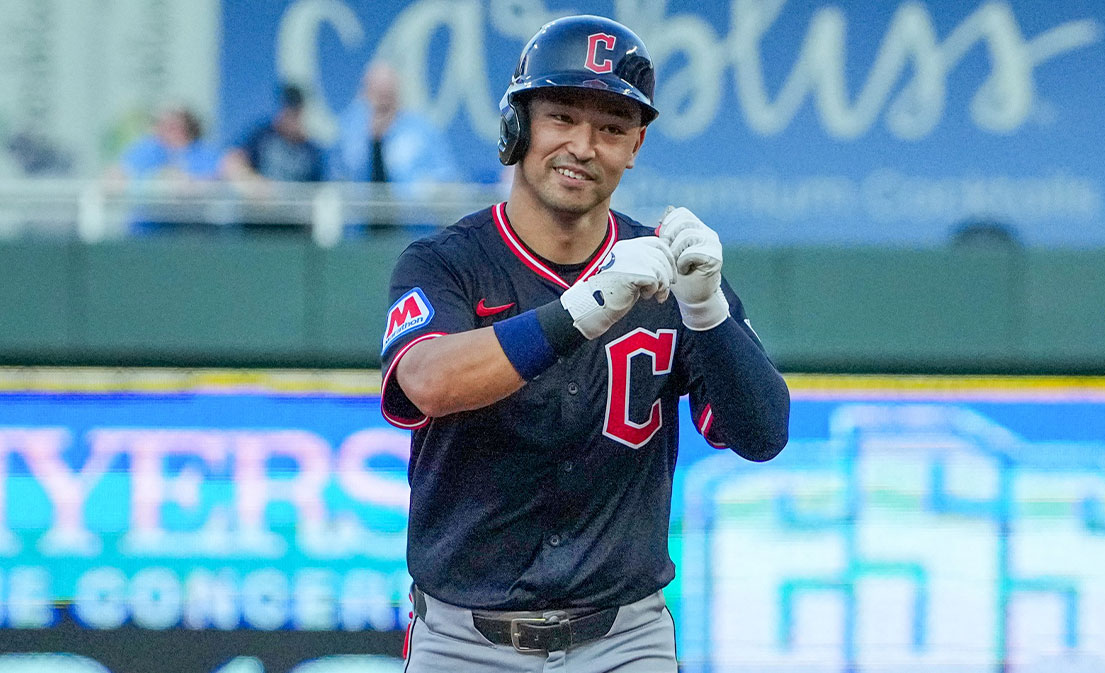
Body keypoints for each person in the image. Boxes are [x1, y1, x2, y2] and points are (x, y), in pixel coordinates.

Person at [379, 15, 789, 672]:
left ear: (636, 146)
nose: (583, 144)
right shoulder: (447, 261)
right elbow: (427, 381)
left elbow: (763, 432)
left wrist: (708, 309)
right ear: (518, 125)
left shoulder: (666, 271)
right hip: (465, 639)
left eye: (611, 129)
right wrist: (580, 311)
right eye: (562, 117)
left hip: (624, 637)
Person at [331, 60, 460, 235]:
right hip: (358, 236)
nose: (382, 102)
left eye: (388, 95)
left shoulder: (422, 132)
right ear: (363, 93)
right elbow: (334, 180)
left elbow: (447, 179)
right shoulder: (348, 131)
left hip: (411, 234)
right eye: (377, 94)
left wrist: (423, 190)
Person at [221, 84, 325, 234]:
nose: (291, 117)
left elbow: (317, 192)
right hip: (259, 223)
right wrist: (254, 183)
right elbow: (230, 162)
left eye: (296, 112)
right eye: (288, 110)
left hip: (293, 227)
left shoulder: (311, 150)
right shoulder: (263, 136)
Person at [108, 105, 222, 234]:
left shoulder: (203, 153)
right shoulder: (147, 149)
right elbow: (116, 177)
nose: (165, 130)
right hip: (144, 233)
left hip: (192, 233)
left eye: (173, 125)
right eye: (160, 124)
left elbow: (210, 185)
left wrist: (186, 185)